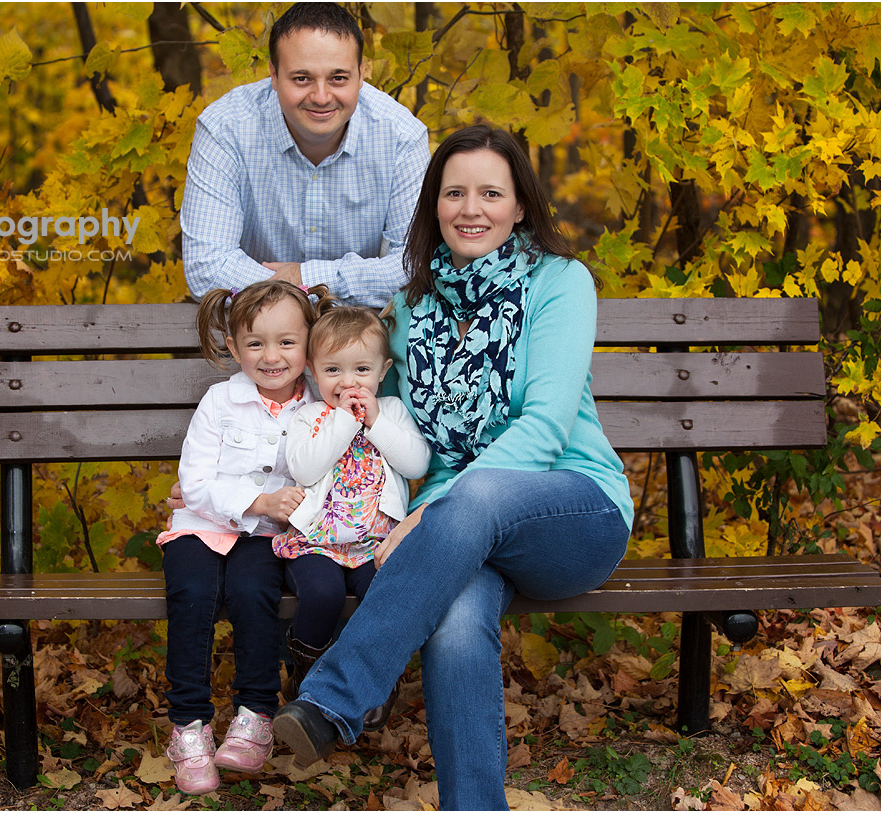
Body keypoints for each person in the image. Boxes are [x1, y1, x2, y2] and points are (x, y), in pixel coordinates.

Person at [270, 124, 635, 810]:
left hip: (573, 509)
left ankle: (336, 697)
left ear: (520, 205)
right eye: (455, 192)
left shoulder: (560, 283)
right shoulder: (411, 307)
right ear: (434, 205)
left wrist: (434, 511)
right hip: (462, 530)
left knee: (479, 494)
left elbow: (547, 426)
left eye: (491, 192)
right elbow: (406, 439)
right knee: (457, 620)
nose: (472, 208)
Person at [156, 279, 328, 794]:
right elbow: (195, 483)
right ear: (233, 348)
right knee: (192, 595)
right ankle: (188, 725)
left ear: (310, 342)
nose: (271, 356)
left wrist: (271, 511)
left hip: (265, 535)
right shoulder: (220, 401)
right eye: (255, 343)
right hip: (202, 526)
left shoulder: (320, 407)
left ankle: (255, 715)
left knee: (255, 594)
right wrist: (255, 501)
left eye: (286, 342)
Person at [180, 2, 429, 307]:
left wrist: (303, 276)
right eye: (302, 79)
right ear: (273, 74)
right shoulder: (225, 129)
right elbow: (206, 269)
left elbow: (414, 266)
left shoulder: (401, 136)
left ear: (363, 73)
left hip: (356, 338)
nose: (322, 97)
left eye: (338, 78)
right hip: (256, 337)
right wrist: (318, 290)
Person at [272, 304, 431, 729]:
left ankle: (377, 678)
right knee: (321, 596)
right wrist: (343, 420)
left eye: (361, 369)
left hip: (375, 543)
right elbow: (305, 469)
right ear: (313, 372)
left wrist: (375, 419)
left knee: (384, 595)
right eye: (333, 371)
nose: (348, 382)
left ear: (383, 371)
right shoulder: (310, 416)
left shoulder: (393, 411)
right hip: (318, 542)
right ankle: (306, 673)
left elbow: (415, 464)